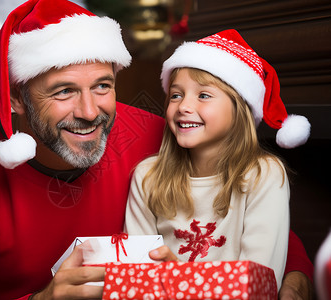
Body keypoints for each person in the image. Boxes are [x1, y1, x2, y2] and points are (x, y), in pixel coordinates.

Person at [0, 0, 313, 298]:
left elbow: (252, 210)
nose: (89, 112)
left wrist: (294, 276)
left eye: (103, 85)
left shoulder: (157, 137)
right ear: (15, 99)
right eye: (64, 91)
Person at [124, 29, 311, 291]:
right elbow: (136, 281)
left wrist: (175, 276)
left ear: (239, 108)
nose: (183, 106)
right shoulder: (147, 176)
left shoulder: (264, 175)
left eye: (203, 95)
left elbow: (259, 283)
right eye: (176, 95)